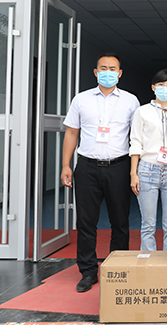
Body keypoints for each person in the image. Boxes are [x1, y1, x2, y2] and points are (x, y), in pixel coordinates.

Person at [61, 53, 139, 293]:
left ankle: (118, 268)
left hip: (119, 166)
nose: (108, 72)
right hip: (87, 167)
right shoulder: (81, 99)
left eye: (112, 68)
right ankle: (88, 271)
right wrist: (65, 165)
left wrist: (135, 170)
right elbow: (72, 132)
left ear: (120, 73)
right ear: (95, 72)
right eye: (103, 68)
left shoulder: (130, 101)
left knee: (120, 221)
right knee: (86, 221)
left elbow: (137, 136)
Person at [129, 69, 167, 251]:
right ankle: (149, 263)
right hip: (147, 170)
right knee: (148, 225)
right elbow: (136, 142)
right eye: (161, 85)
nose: (165, 88)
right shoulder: (142, 112)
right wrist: (133, 173)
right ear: (153, 87)